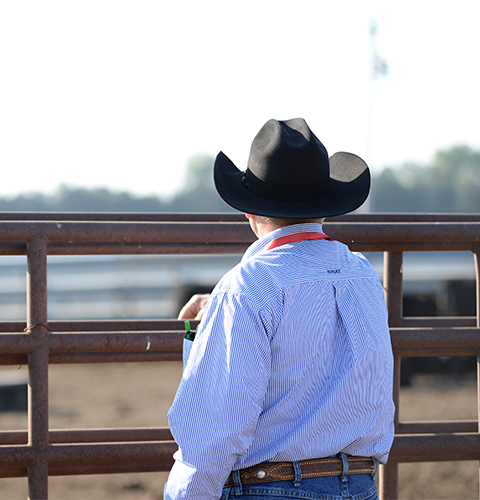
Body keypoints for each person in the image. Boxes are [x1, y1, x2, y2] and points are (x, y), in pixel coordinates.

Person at [164, 118, 395, 500]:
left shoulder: (247, 287)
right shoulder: (362, 275)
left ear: (250, 216)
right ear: (326, 209)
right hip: (358, 482)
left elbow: (216, 428)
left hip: (268, 487)